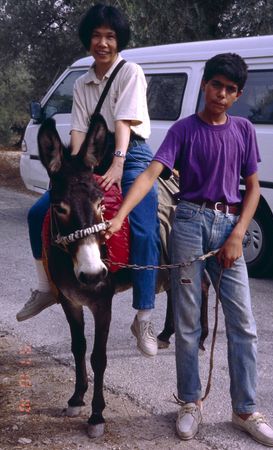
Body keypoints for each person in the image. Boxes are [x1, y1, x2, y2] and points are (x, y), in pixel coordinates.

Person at [105, 53, 273, 447]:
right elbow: (151, 173)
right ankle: (189, 403)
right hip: (187, 223)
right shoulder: (183, 131)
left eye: (230, 89)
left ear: (238, 95)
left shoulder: (244, 130)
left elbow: (252, 189)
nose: (221, 94)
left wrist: (238, 234)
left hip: (227, 226)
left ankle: (245, 410)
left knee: (244, 325)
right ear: (205, 85)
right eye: (216, 85)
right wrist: (119, 217)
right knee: (187, 325)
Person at [16, 3, 160, 358]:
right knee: (39, 214)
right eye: (96, 35)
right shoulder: (82, 81)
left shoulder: (131, 72)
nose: (103, 42)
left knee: (143, 226)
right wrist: (75, 172)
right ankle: (46, 287)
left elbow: (124, 123)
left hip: (131, 152)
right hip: (90, 156)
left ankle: (144, 313)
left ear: (119, 40)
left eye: (110, 36)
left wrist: (117, 164)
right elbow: (78, 130)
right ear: (87, 39)